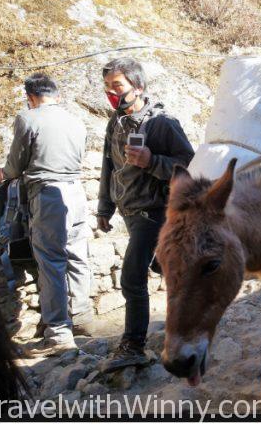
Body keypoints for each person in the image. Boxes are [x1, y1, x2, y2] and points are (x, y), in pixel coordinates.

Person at [95, 58, 195, 372]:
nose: (112, 93)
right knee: (168, 271)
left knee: (130, 278)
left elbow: (188, 166)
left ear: (138, 87)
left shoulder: (162, 122)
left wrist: (152, 161)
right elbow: (108, 168)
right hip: (128, 211)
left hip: (154, 211)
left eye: (118, 86)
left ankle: (133, 345)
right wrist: (104, 208)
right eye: (108, 87)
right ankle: (190, 323)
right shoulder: (115, 121)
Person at [0, 73, 93, 356]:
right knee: (77, 256)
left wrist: (3, 174)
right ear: (57, 95)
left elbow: (17, 162)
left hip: (48, 194)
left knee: (50, 261)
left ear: (31, 97)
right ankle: (82, 320)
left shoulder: (29, 118)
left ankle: (59, 333)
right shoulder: (75, 120)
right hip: (76, 191)